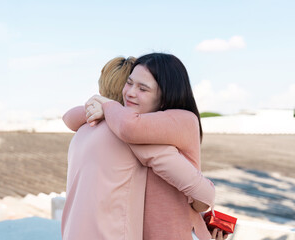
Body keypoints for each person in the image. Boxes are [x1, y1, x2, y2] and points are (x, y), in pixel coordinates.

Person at [62, 55, 220, 240]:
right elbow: (204, 193)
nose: (130, 93)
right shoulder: (132, 138)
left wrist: (103, 105)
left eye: (143, 88)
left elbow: (68, 117)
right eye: (129, 84)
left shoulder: (83, 131)